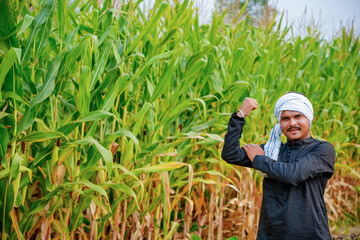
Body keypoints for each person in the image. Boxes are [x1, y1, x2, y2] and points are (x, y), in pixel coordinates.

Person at [221, 92, 335, 240]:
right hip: (271, 234)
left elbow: (293, 174)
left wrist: (259, 159)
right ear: (280, 123)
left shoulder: (322, 150)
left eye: (298, 116)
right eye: (285, 119)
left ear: (309, 118)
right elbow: (230, 154)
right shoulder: (272, 151)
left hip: (309, 233)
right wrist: (240, 116)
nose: (292, 123)